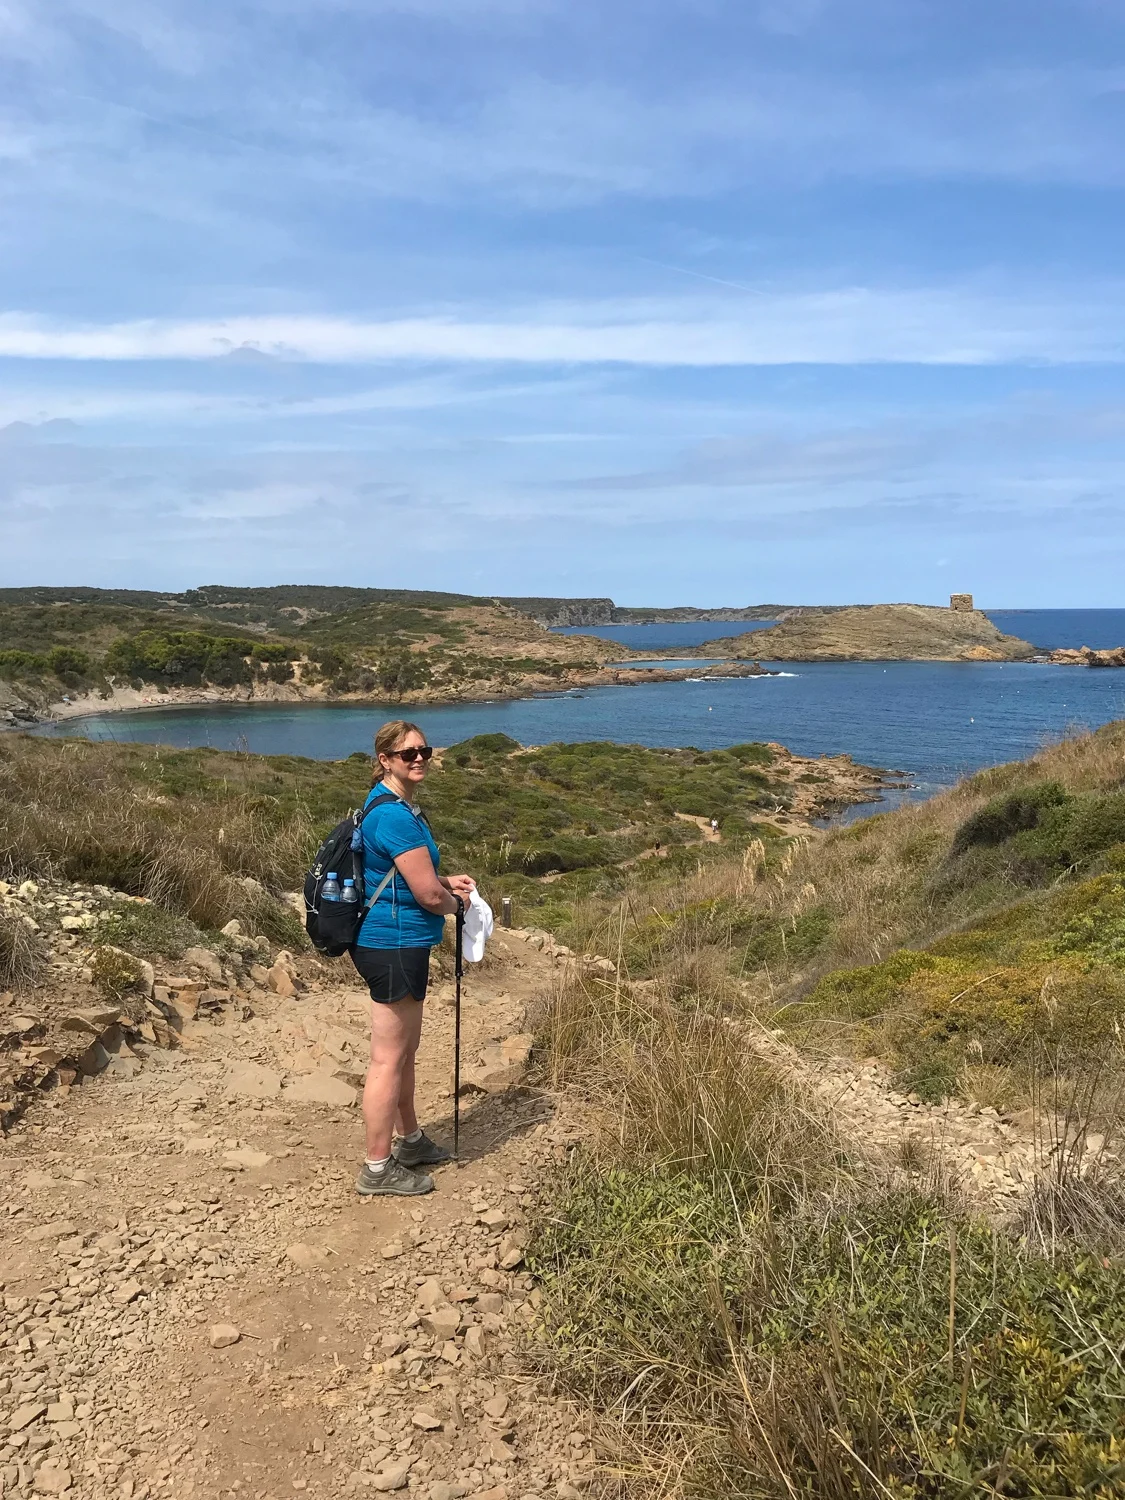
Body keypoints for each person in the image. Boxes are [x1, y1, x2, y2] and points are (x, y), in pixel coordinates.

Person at [350, 720, 476, 1197]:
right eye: (407, 753)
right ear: (385, 759)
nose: (419, 758)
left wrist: (446, 884)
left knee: (404, 1051)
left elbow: (413, 881)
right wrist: (456, 904)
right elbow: (424, 894)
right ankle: (377, 1168)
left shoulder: (386, 804)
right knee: (388, 1058)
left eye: (424, 749)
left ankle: (410, 1140)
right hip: (393, 945)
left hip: (394, 942)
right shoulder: (397, 817)